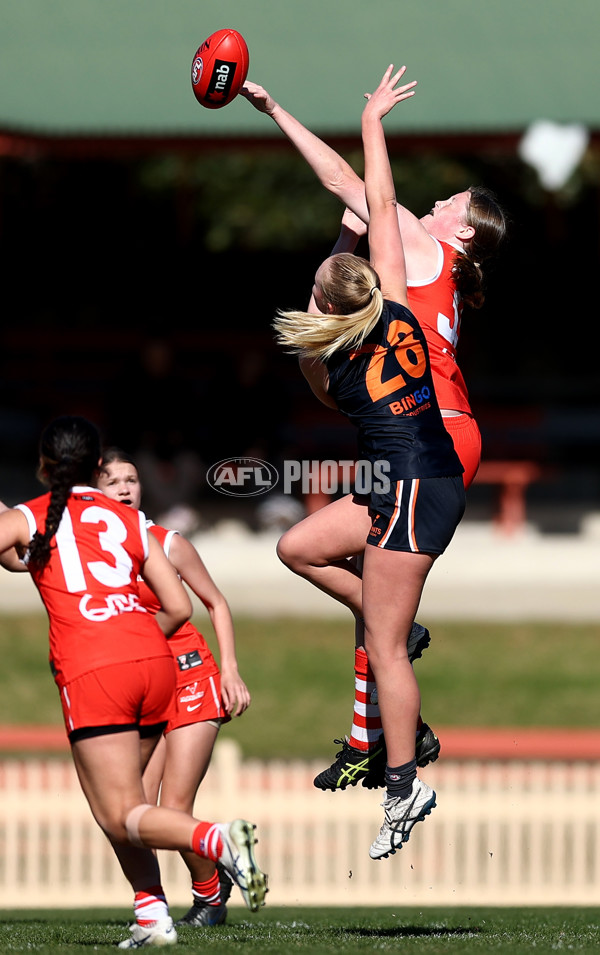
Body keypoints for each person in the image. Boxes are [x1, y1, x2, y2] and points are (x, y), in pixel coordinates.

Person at [242, 76, 507, 790]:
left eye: (453, 202)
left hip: (431, 439)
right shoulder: (439, 266)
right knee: (336, 566)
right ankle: (373, 732)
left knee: (381, 604)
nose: (441, 200)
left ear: (464, 229)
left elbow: (345, 180)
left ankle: (386, 747)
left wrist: (277, 112)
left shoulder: (425, 247)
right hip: (436, 434)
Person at [271, 64, 466, 859]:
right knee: (297, 547)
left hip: (415, 481)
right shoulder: (392, 302)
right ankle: (395, 618)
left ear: (326, 305)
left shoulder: (324, 361)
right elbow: (377, 198)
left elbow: (357, 216)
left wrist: (278, 105)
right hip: (408, 475)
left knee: (382, 647)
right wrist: (373, 120)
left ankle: (401, 783)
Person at [0, 415, 267, 946]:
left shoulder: (32, 516)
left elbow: (19, 553)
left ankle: (219, 841)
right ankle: (153, 917)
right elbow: (178, 605)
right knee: (129, 808)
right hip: (155, 661)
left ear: (43, 466)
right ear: (97, 468)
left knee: (119, 814)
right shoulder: (132, 524)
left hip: (97, 667)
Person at [96, 447, 250, 929]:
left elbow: (216, 603)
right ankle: (165, 902)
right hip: (142, 686)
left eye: (131, 479)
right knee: (133, 817)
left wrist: (229, 670)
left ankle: (208, 900)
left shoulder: (168, 542)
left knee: (173, 807)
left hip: (190, 678)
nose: (124, 488)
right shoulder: (94, 555)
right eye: (112, 481)